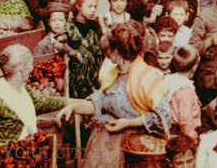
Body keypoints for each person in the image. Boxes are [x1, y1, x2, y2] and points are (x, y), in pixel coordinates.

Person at [54, 23, 172, 167]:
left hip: (133, 150)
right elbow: (99, 102)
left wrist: (127, 123)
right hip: (104, 147)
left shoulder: (148, 77)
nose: (107, 55)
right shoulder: (114, 75)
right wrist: (73, 108)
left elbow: (164, 117)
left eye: (108, 51)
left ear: (116, 51)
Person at [0, 44, 66, 160]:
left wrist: (73, 103)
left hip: (29, 156)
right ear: (21, 66)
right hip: (9, 160)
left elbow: (44, 102)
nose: (32, 68)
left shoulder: (24, 90)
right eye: (31, 64)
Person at [66, 0, 105, 98]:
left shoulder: (96, 26)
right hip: (77, 80)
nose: (93, 10)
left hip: (95, 79)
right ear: (78, 6)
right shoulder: (70, 27)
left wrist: (102, 25)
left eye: (95, 7)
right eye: (89, 6)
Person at [166, 45, 203, 143]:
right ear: (194, 67)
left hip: (170, 128)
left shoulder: (169, 80)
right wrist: (193, 139)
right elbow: (185, 120)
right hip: (181, 134)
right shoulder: (185, 90)